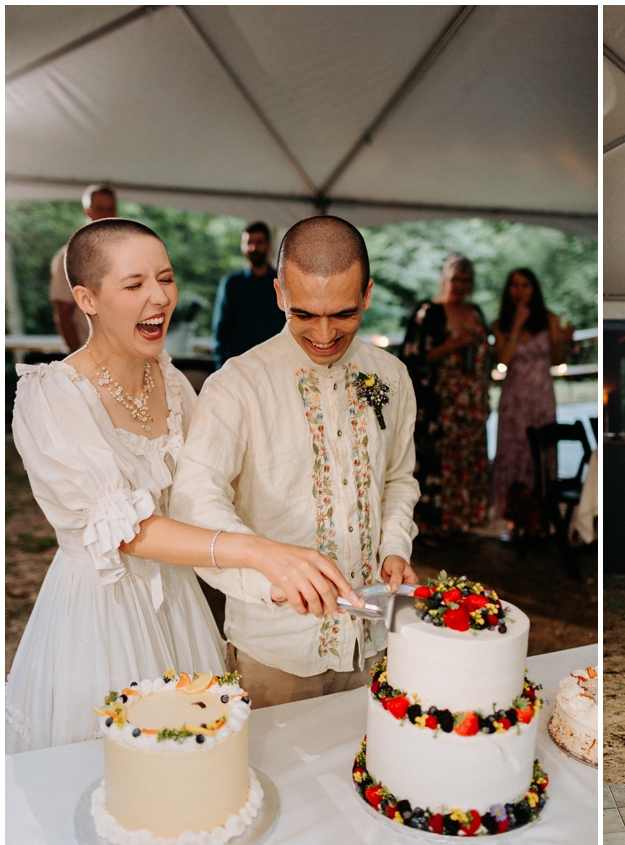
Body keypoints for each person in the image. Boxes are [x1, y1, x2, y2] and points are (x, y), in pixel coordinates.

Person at [6, 218, 358, 753]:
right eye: (134, 284)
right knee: (111, 772)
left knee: (190, 772)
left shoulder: (173, 382)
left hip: (177, 603)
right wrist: (257, 552)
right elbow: (125, 531)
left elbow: (209, 494)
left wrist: (282, 562)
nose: (159, 297)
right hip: (98, 614)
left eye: (165, 278)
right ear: (87, 298)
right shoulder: (50, 395)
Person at [173, 215, 421, 709]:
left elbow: (397, 477)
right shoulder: (235, 386)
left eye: (344, 314)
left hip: (376, 639)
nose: (325, 334)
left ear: (367, 294)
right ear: (280, 294)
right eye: (304, 314)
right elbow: (194, 503)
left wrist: (395, 546)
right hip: (274, 650)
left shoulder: (390, 376)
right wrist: (271, 575)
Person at [400, 253, 490, 543]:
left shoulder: (475, 312)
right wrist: (455, 344)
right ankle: (433, 526)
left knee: (467, 459)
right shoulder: (430, 311)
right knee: (439, 461)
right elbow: (414, 356)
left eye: (466, 280)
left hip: (471, 400)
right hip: (440, 401)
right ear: (444, 279)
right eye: (455, 279)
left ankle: (463, 521)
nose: (460, 285)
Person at [491, 268, 575, 528]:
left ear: (533, 288)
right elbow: (503, 361)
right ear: (509, 290)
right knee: (513, 456)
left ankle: (539, 518)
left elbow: (558, 359)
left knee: (540, 455)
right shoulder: (500, 323)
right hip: (514, 399)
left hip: (541, 397)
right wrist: (515, 325)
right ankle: (513, 519)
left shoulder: (548, 318)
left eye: (525, 285)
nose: (520, 290)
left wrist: (565, 341)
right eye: (514, 285)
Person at [48, 184, 117, 353]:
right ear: (87, 211)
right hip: (92, 354)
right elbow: (63, 315)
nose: (106, 214)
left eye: (111, 208)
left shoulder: (124, 251)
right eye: (100, 208)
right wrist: (79, 359)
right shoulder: (69, 257)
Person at [211, 221, 286, 368]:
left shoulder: (282, 282)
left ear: (269, 245)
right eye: (248, 242)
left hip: (276, 366)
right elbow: (220, 332)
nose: (253, 248)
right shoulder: (231, 284)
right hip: (240, 368)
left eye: (259, 242)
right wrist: (222, 370)